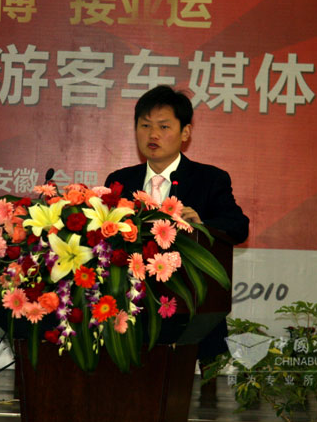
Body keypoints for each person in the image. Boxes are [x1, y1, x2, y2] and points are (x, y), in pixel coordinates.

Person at [104, 85, 249, 397]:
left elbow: (238, 226)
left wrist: (202, 225)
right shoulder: (120, 181)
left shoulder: (209, 179)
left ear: (186, 133)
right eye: (145, 126)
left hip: (190, 300)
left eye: (163, 126)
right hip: (132, 299)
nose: (153, 134)